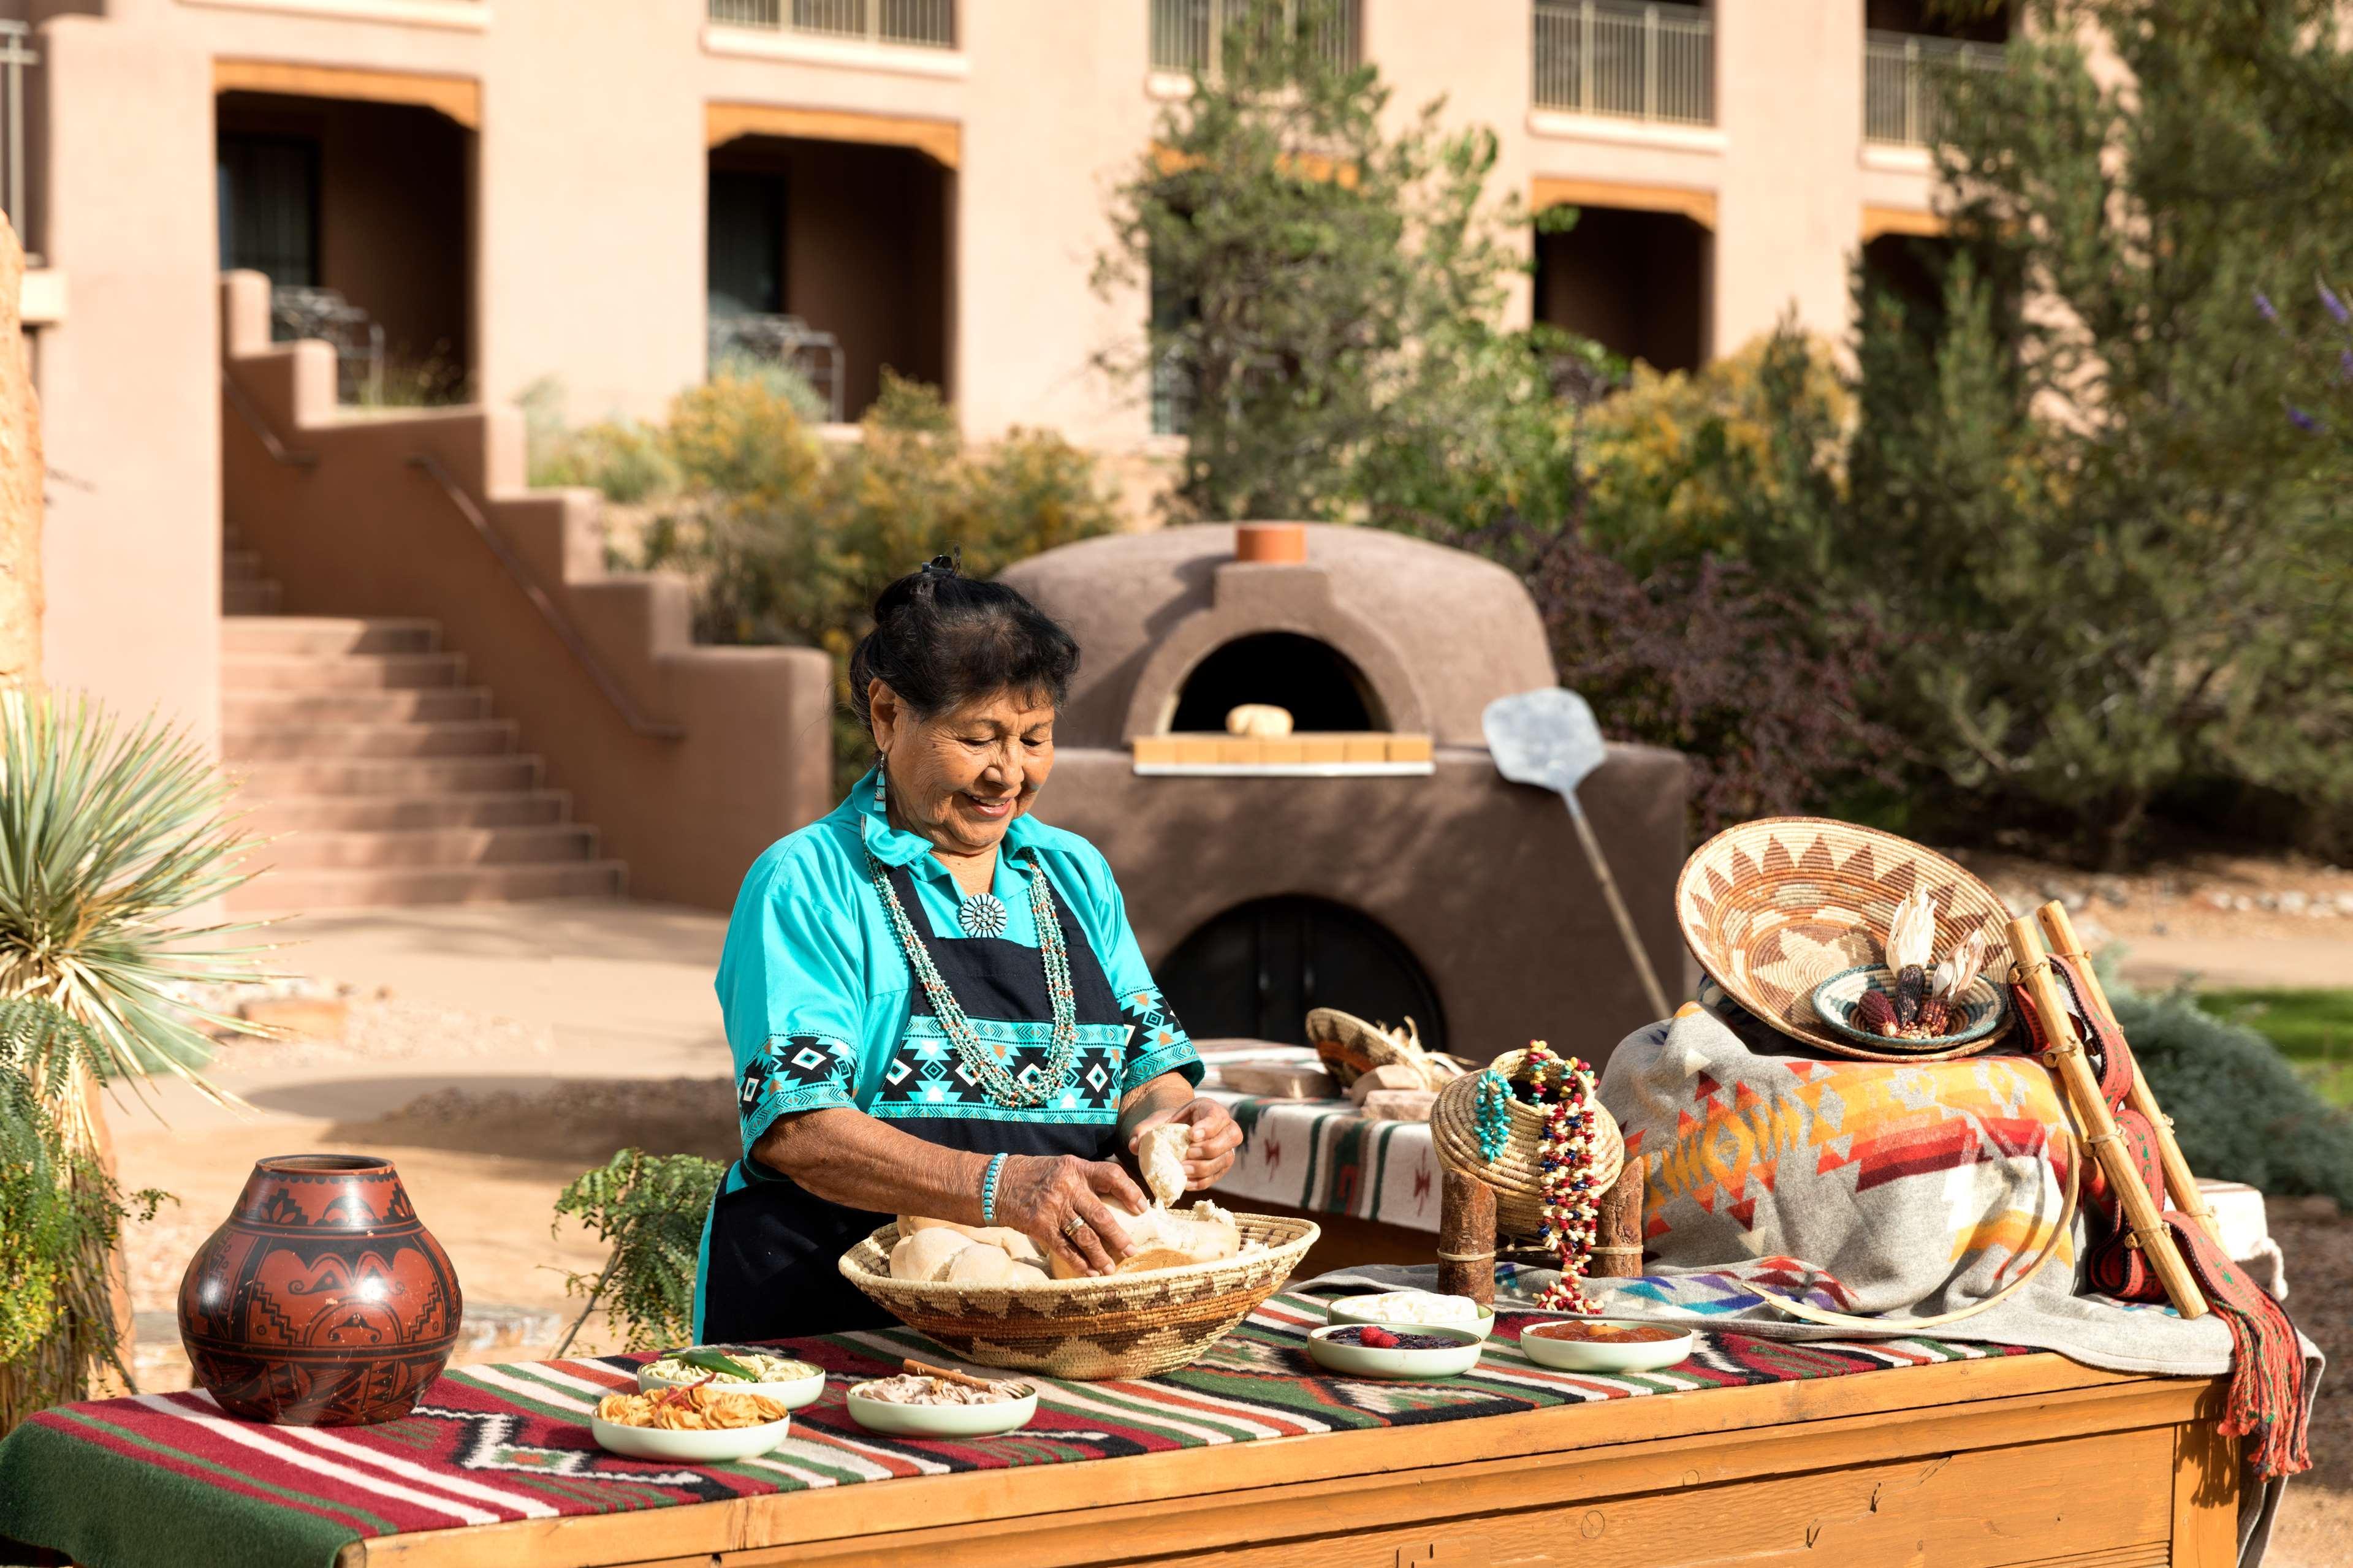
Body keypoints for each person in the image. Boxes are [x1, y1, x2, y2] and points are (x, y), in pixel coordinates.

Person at [694, 556, 1244, 1341]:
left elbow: (1144, 1070)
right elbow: (798, 1129)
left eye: (1035, 738)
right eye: (977, 738)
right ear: (887, 716)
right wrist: (1001, 1187)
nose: (1008, 775)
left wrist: (1176, 1127)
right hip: (836, 1321)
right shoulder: (809, 880)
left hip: (1052, 1323)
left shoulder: (1073, 873)